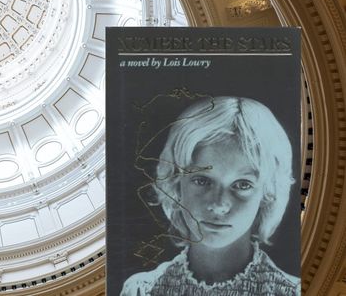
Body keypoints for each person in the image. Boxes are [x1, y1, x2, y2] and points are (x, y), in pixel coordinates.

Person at [121, 97, 300, 295]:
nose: (218, 205)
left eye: (242, 185)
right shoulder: (141, 290)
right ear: (176, 184)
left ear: (267, 195)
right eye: (202, 181)